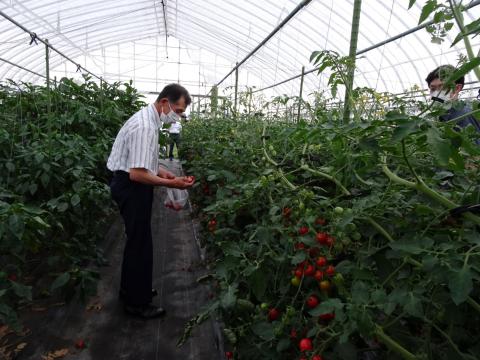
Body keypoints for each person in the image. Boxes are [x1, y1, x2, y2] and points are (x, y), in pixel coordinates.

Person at [107, 84, 195, 319]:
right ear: (164, 102)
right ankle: (137, 303)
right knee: (140, 244)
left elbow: (141, 162)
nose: (177, 116)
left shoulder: (149, 120)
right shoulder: (145, 126)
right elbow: (136, 174)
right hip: (131, 186)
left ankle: (132, 290)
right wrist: (172, 184)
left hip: (130, 184)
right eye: (177, 110)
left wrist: (162, 171)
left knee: (137, 241)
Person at [426, 65, 480, 132]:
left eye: (443, 88)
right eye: (433, 89)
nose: (437, 93)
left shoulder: (462, 116)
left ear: (457, 88)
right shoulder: (440, 114)